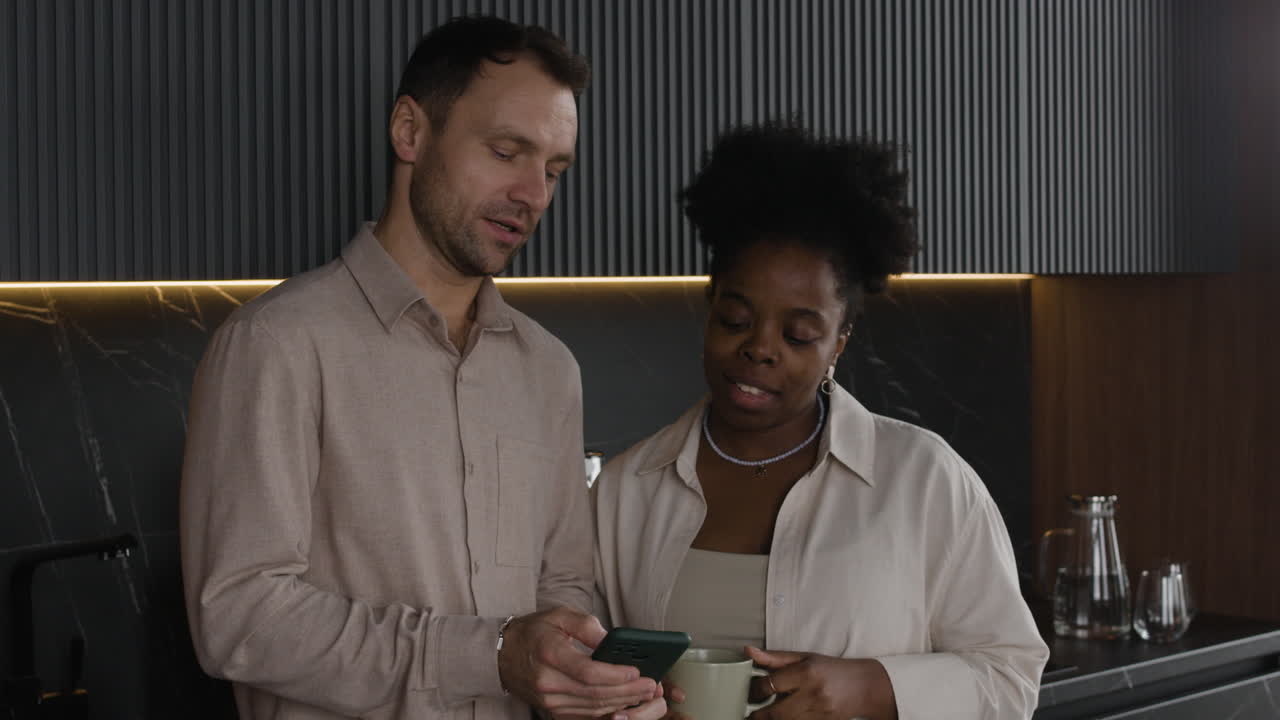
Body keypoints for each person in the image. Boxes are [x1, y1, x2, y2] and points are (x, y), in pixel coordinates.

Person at [180, 16, 665, 720]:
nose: (534, 195)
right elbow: (238, 618)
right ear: (410, 132)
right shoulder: (277, 344)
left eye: (554, 170)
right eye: (506, 151)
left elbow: (565, 585)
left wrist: (586, 680)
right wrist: (490, 654)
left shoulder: (549, 370)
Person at [592, 123, 1049, 720]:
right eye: (735, 320)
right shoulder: (626, 491)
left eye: (799, 334)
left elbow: (1012, 679)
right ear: (708, 312)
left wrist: (874, 688)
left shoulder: (923, 478)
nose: (760, 349)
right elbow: (581, 681)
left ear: (839, 343)